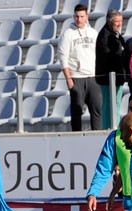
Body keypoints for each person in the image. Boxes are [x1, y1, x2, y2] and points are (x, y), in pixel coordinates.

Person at [58, 3, 102, 131]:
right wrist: (69, 79)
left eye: (82, 16)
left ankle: (97, 135)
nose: (79, 19)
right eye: (77, 16)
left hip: (92, 77)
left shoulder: (93, 33)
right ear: (73, 16)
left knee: (96, 110)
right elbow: (63, 57)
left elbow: (98, 54)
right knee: (77, 111)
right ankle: (76, 136)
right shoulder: (68, 34)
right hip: (76, 77)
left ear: (87, 17)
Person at [95, 10, 128, 129]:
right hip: (107, 78)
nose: (119, 24)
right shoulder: (105, 35)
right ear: (109, 22)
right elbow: (107, 56)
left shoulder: (116, 34)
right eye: (116, 22)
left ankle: (115, 127)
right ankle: (107, 128)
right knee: (108, 105)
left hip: (117, 77)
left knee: (116, 104)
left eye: (121, 21)